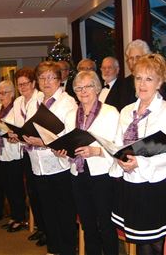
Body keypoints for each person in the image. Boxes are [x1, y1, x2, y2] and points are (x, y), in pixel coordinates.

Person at [110, 54, 166, 255]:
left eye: (149, 78)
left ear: (159, 82)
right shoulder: (126, 111)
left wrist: (139, 163)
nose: (142, 83)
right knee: (140, 240)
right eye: (138, 78)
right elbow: (119, 143)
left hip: (157, 185)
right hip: (130, 182)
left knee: (157, 243)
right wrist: (119, 158)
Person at [56, 71, 120, 255]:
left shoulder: (110, 112)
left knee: (106, 225)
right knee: (88, 223)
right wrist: (62, 152)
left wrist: (96, 151)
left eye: (88, 86)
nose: (83, 91)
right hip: (78, 174)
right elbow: (69, 144)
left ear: (97, 88)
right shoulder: (70, 115)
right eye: (79, 88)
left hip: (102, 175)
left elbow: (118, 147)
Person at [23, 61, 78, 255]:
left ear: (59, 79)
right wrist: (21, 135)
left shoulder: (67, 102)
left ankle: (69, 249)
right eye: (42, 77)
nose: (46, 82)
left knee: (64, 210)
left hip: (59, 165)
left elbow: (70, 135)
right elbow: (29, 128)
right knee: (47, 211)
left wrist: (45, 142)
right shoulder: (34, 102)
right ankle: (54, 249)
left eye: (51, 77)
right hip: (37, 165)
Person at [10, 67, 47, 245]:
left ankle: (47, 230)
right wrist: (12, 133)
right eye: (19, 84)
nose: (22, 87)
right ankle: (41, 228)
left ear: (33, 83)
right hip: (26, 152)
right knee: (32, 192)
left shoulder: (41, 99)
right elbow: (17, 124)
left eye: (25, 83)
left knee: (42, 193)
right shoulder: (17, 102)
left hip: (41, 152)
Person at [0, 80, 27, 232]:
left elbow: (19, 128)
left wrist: (5, 130)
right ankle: (13, 215)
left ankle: (20, 217)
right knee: (7, 186)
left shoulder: (16, 109)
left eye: (4, 93)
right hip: (0, 153)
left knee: (16, 187)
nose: (1, 96)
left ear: (12, 94)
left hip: (13, 153)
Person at [121, 39, 151, 108]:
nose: (134, 62)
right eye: (131, 58)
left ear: (147, 58)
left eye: (138, 57)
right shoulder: (123, 84)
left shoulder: (154, 81)